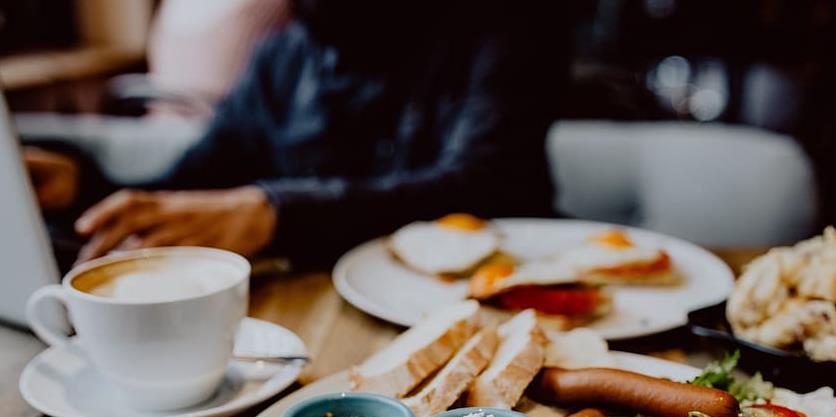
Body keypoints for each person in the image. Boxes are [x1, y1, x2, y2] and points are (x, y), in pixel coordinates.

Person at [25, 0, 567, 267]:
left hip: (505, 300)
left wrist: (274, 213)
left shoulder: (505, 25)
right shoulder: (283, 55)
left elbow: (489, 183)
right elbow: (193, 184)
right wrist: (80, 187)